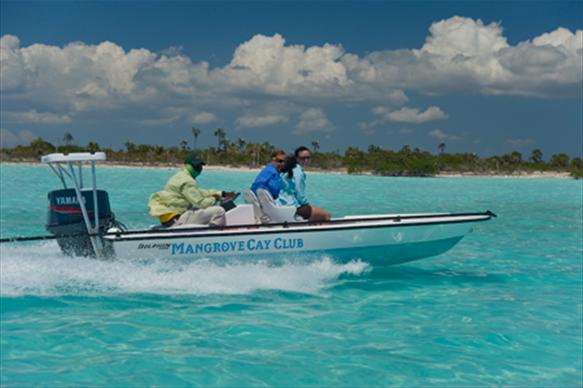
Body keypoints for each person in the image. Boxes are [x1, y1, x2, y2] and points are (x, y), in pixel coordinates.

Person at [148, 152, 235, 227]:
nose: (199, 168)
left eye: (200, 165)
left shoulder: (180, 176)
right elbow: (201, 203)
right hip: (177, 220)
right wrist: (215, 199)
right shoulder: (187, 181)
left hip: (170, 219)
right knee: (219, 211)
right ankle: (213, 237)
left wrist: (221, 193)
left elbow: (200, 192)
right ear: (188, 165)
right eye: (196, 165)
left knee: (198, 209)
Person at [278, 146, 331, 222]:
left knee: (315, 214)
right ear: (297, 158)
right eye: (303, 158)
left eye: (308, 157)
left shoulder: (290, 168)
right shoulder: (298, 172)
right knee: (327, 215)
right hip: (293, 207)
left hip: (283, 204)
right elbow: (300, 193)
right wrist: (307, 205)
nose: (306, 160)